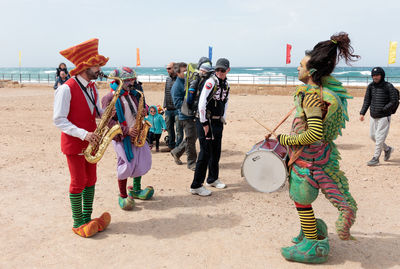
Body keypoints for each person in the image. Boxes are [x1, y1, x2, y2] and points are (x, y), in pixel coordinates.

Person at [276, 32, 359, 263]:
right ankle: (311, 230)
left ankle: (312, 246)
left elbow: (314, 134)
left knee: (301, 199)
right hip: (309, 159)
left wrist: (286, 141)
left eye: (301, 65)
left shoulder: (314, 98)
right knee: (299, 200)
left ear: (312, 72)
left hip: (310, 162)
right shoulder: (314, 94)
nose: (297, 68)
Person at [53, 38, 111, 238]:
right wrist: (84, 134)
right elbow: (58, 119)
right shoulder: (66, 88)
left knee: (91, 180)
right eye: (96, 65)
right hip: (76, 142)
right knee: (78, 181)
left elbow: (93, 111)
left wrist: (106, 114)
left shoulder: (92, 87)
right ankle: (78, 222)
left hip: (91, 142)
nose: (99, 68)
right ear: (84, 66)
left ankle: (88, 218)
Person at [101, 67, 153, 210]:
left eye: (132, 80)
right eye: (129, 80)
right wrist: (126, 131)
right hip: (121, 138)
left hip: (136, 135)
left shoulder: (133, 95)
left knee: (139, 163)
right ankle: (123, 195)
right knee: (125, 166)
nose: (132, 83)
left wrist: (143, 112)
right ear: (120, 81)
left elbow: (136, 111)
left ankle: (136, 190)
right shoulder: (109, 98)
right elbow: (107, 122)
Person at [190, 58, 230, 196]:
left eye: (222, 70)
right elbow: (201, 104)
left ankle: (212, 178)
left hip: (218, 122)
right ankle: (196, 185)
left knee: (216, 151)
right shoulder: (210, 82)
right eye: (217, 69)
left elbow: (225, 102)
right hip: (205, 121)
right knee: (205, 152)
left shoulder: (226, 84)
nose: (219, 72)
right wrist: (205, 124)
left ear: (228, 70)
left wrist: (222, 118)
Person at [360, 67, 397, 166]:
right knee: (373, 136)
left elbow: (394, 101)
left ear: (382, 75)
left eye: (377, 75)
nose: (375, 77)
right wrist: (362, 113)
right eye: (373, 75)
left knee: (379, 138)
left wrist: (384, 109)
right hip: (373, 116)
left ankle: (375, 158)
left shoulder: (388, 86)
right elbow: (367, 100)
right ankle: (387, 149)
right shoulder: (371, 86)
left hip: (384, 117)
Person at [170, 62, 197, 171]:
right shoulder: (177, 86)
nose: (186, 73)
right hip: (185, 116)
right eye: (184, 71)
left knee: (192, 137)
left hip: (192, 114)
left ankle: (176, 152)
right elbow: (177, 103)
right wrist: (189, 104)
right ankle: (191, 163)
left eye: (187, 71)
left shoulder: (187, 82)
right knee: (191, 139)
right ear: (177, 73)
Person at [162, 62, 182, 151]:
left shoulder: (181, 79)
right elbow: (166, 93)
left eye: (169, 68)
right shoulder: (167, 79)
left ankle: (178, 148)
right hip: (168, 109)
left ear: (175, 68)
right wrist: (164, 105)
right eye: (167, 68)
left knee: (179, 130)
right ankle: (171, 146)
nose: (167, 70)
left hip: (178, 109)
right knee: (169, 129)